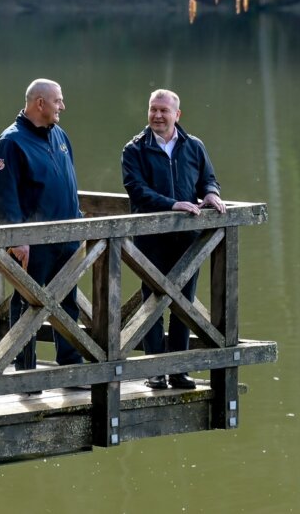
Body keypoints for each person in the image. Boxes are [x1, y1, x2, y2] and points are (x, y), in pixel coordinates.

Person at [121, 89, 226, 390]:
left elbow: (208, 177)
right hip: (151, 239)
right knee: (153, 301)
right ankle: (155, 370)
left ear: (177, 115)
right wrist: (172, 203)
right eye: (153, 109)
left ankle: (179, 370)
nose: (157, 115)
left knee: (184, 303)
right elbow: (136, 190)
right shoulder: (135, 149)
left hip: (188, 238)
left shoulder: (194, 146)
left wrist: (210, 193)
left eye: (164, 110)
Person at [0, 79, 84, 380]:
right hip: (33, 244)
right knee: (28, 305)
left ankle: (71, 370)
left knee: (68, 305)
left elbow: (69, 182)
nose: (63, 107)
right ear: (40, 103)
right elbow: (6, 198)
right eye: (58, 101)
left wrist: (78, 220)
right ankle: (25, 374)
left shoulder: (60, 135)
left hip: (67, 238)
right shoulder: (11, 141)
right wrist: (17, 239)